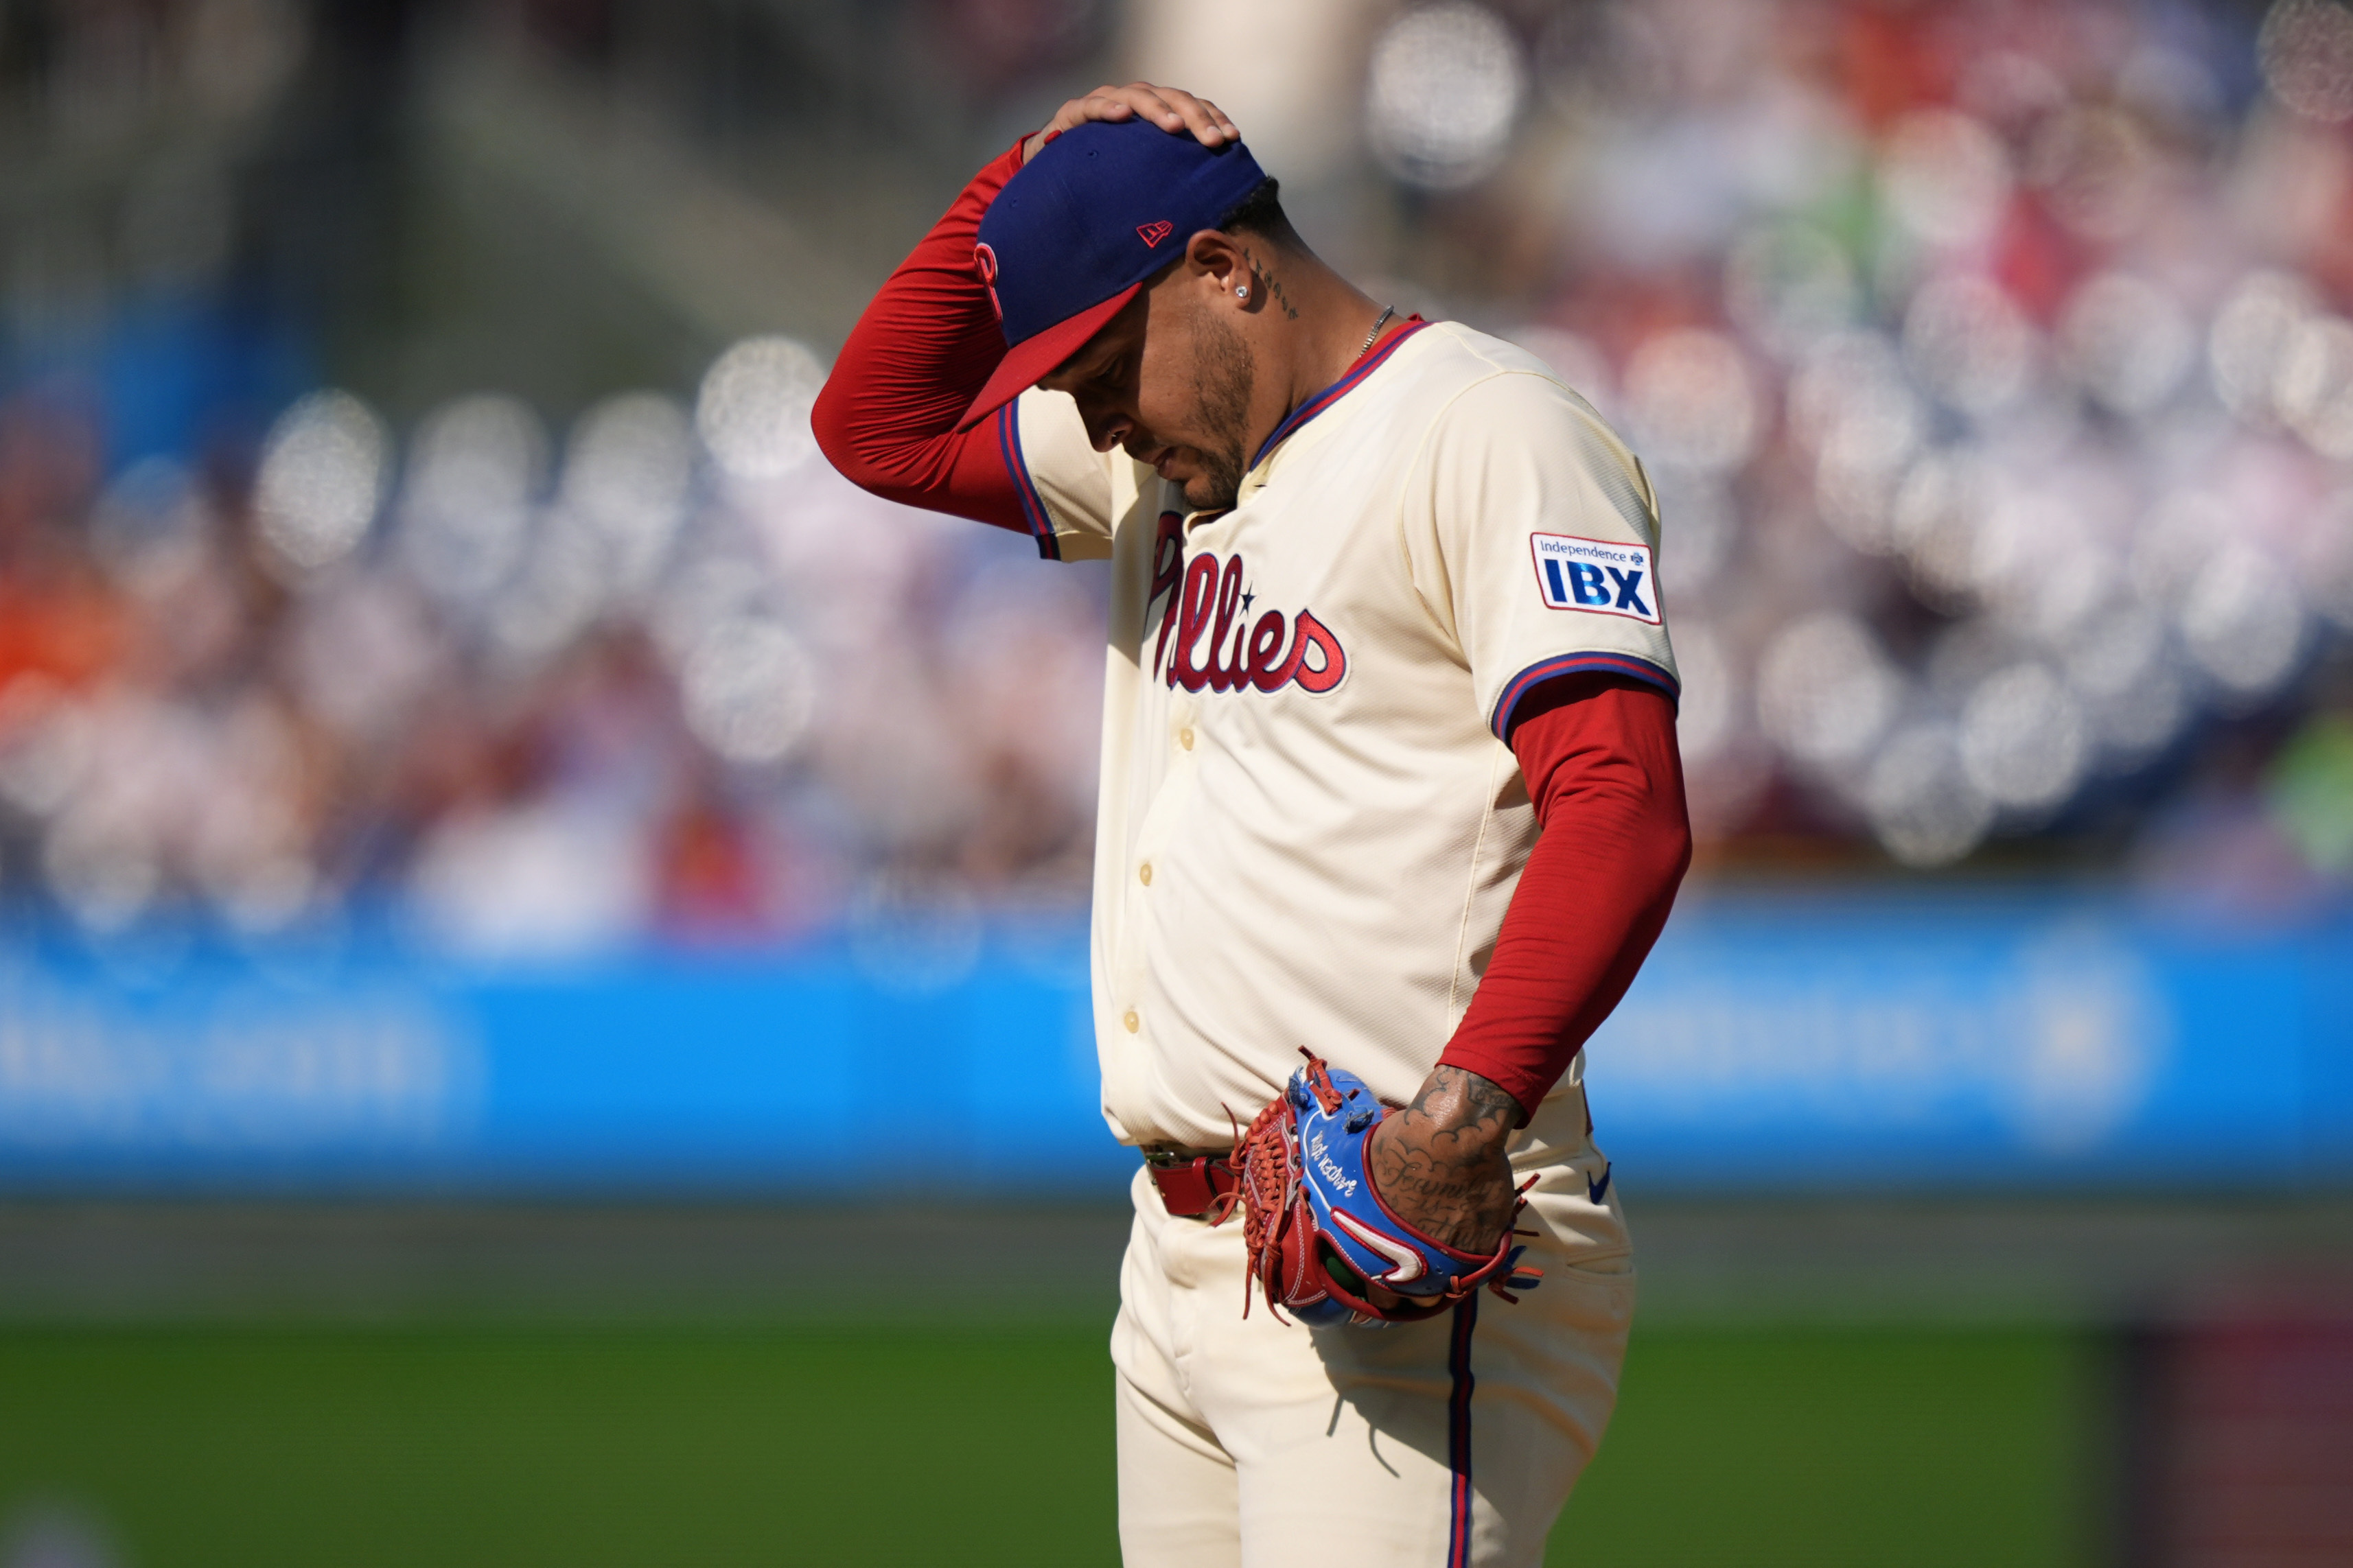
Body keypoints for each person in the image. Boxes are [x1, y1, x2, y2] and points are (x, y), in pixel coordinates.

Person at [815, 82, 1689, 1568]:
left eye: (1100, 369)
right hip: (1176, 1254)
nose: (1088, 415)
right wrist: (1030, 174)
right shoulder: (1162, 461)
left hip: (1394, 1248)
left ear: (1225, 270)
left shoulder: (1484, 427)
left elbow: (1620, 805)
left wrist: (1462, 1111)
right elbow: (873, 425)